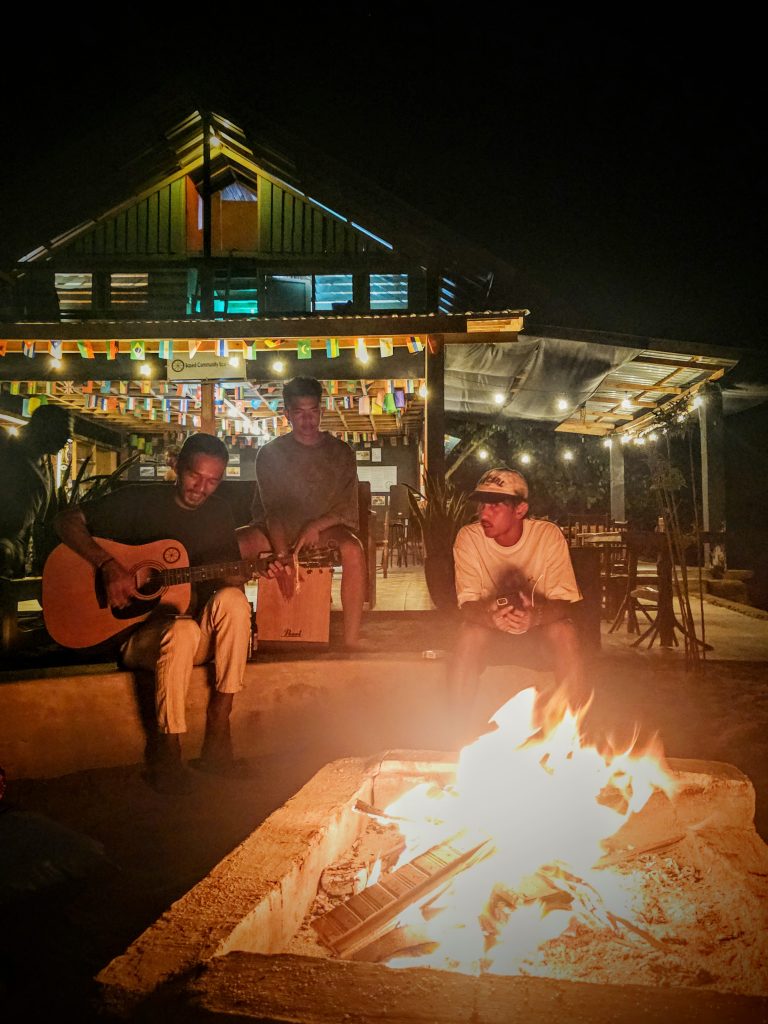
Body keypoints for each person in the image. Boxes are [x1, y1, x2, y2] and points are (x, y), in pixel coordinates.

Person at [54, 433, 278, 795]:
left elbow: (228, 573)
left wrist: (255, 568)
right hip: (140, 638)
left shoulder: (219, 512)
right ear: (176, 466)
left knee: (234, 603)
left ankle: (220, 735)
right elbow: (65, 521)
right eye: (194, 475)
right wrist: (108, 566)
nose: (201, 488)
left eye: (213, 481)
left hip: (192, 636)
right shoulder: (137, 500)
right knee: (182, 630)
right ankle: (167, 756)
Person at [448, 466, 588, 743]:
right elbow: (467, 604)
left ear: (520, 509)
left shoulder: (547, 536)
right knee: (468, 634)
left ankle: (574, 735)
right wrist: (492, 619)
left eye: (495, 506)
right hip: (491, 622)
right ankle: (456, 731)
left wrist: (534, 618)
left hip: (538, 622)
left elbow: (565, 601)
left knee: (565, 632)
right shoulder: (469, 538)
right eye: (482, 505)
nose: (484, 514)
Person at [237, 375, 367, 649]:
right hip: (276, 530)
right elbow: (272, 511)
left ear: (321, 411)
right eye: (299, 413)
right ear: (287, 414)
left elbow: (345, 506)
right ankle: (236, 630)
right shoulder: (270, 453)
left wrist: (315, 526)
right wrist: (284, 557)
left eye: (313, 412)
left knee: (354, 550)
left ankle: (352, 640)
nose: (308, 421)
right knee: (237, 546)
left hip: (323, 531)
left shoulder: (341, 452)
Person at [0, 404, 72, 577]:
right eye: (63, 431)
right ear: (44, 427)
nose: (67, 439)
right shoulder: (5, 447)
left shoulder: (44, 464)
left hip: (13, 555)